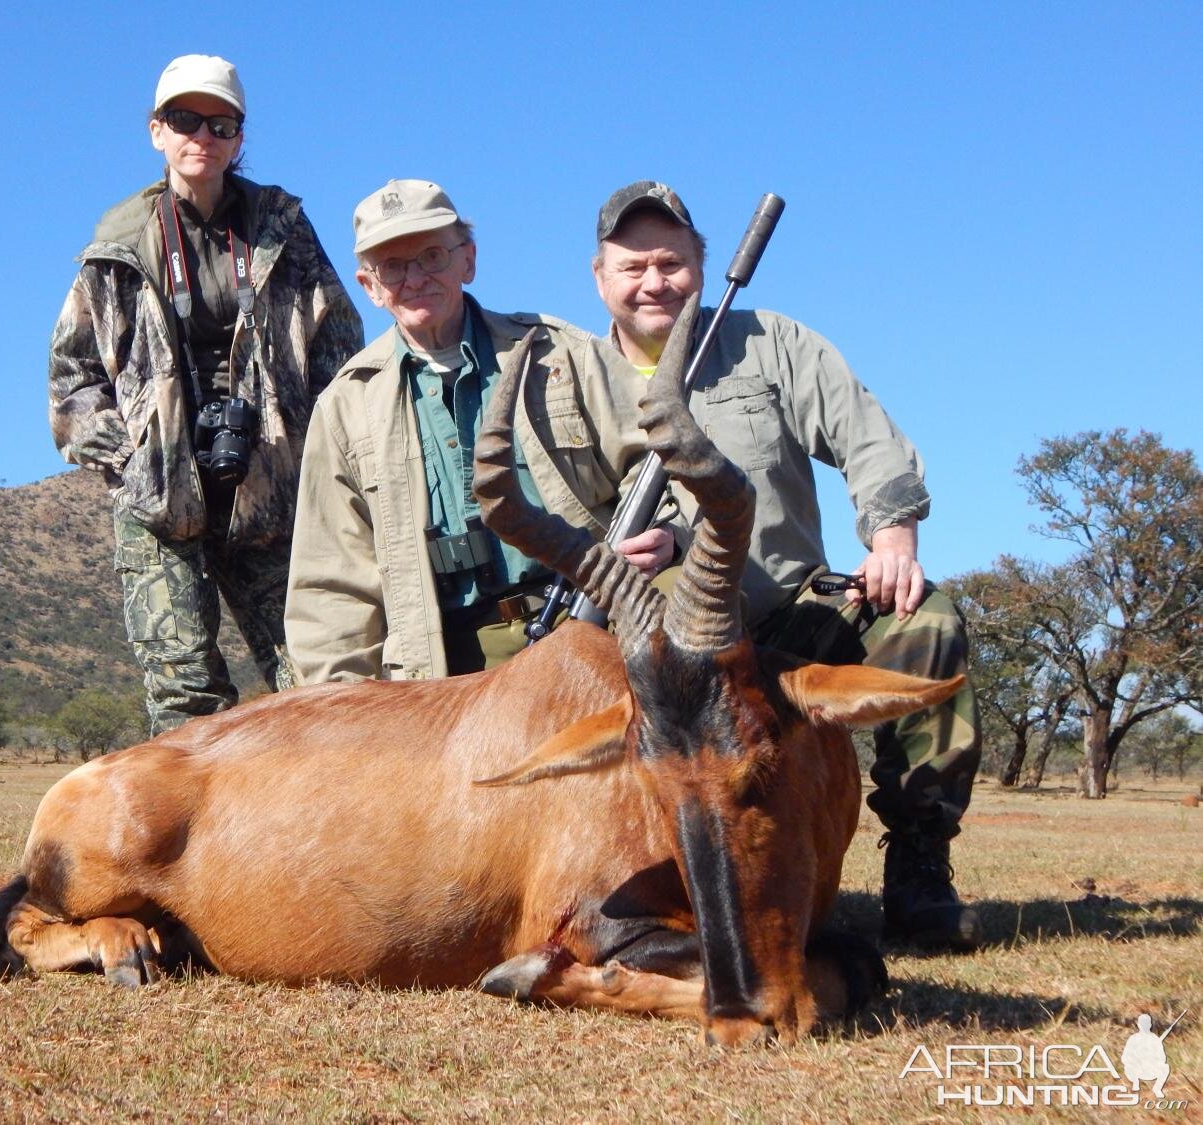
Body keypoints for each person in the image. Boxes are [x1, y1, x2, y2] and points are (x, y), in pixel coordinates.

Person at [591, 180, 983, 951]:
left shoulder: (771, 342)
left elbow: (866, 438)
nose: (652, 281)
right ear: (599, 276)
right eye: (631, 265)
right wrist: (611, 560)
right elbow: (560, 514)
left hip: (786, 620)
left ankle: (919, 865)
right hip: (663, 647)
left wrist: (892, 535)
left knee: (926, 619)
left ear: (702, 267)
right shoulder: (572, 377)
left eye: (670, 262)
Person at [49, 55, 363, 734]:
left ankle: (313, 831)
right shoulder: (116, 247)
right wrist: (125, 450)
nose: (204, 136)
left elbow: (338, 336)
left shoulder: (283, 229)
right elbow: (72, 375)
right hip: (163, 500)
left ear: (240, 138)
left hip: (272, 491)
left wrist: (323, 445)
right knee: (186, 694)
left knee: (317, 677)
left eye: (221, 123)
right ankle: (197, 840)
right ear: (156, 130)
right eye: (185, 119)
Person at [284, 179, 672, 682]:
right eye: (394, 267)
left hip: (595, 624)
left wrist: (670, 534)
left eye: (431, 256)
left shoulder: (559, 352)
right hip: (448, 670)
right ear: (370, 286)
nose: (415, 278)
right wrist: (342, 711)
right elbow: (330, 587)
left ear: (468, 259)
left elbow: (664, 461)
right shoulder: (345, 405)